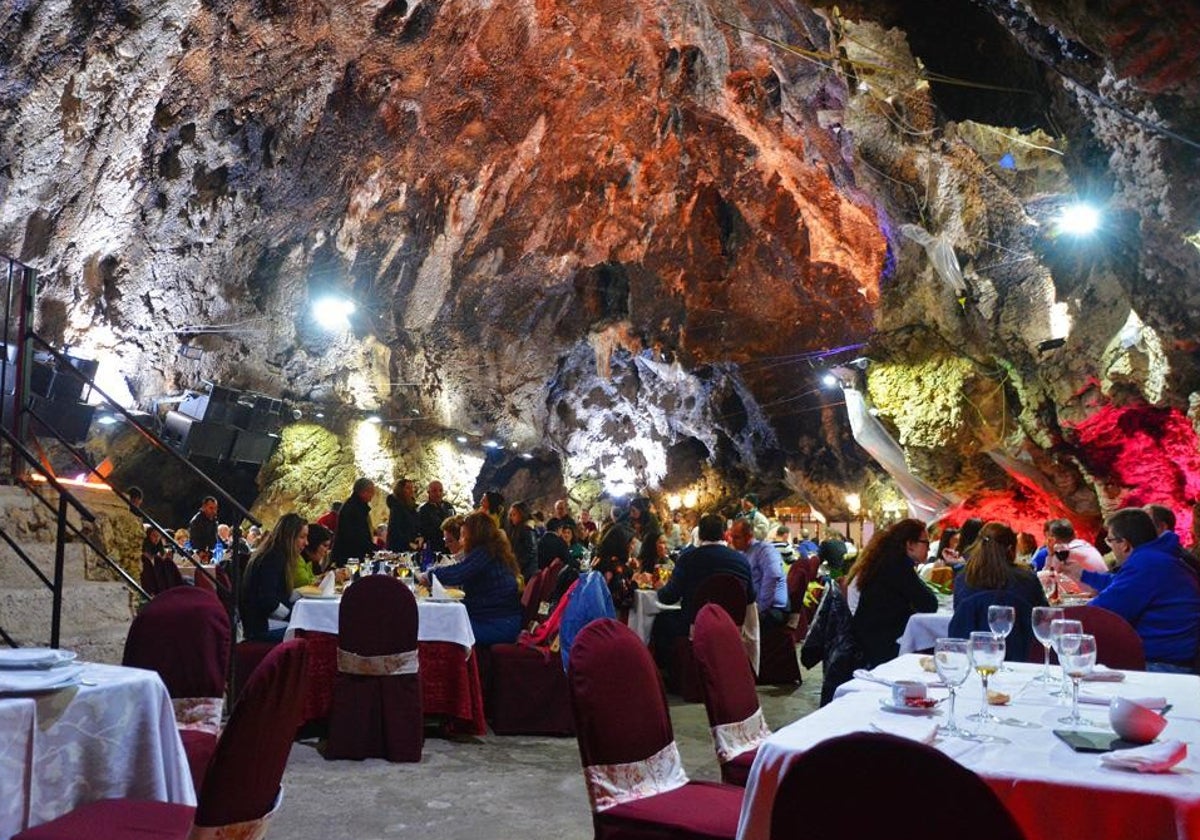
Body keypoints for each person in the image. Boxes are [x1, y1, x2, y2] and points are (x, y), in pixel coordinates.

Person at [1061, 507, 1200, 671]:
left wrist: (1060, 619)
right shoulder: (1157, 557)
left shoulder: (1146, 564)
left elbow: (1103, 612)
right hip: (1176, 656)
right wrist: (1082, 574)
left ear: (1124, 544)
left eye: (1110, 540)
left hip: (1162, 665)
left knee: (1073, 666)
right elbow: (1123, 585)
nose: (1110, 546)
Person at [653, 513, 754, 664]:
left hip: (695, 624)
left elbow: (669, 597)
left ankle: (673, 674)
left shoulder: (688, 559)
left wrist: (660, 588)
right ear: (724, 534)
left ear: (699, 534)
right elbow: (751, 596)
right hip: (732, 624)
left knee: (661, 621)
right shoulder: (741, 561)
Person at [845, 518, 938, 667]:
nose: (929, 548)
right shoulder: (898, 566)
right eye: (926, 543)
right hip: (880, 646)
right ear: (910, 544)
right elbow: (929, 604)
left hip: (869, 638)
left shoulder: (885, 562)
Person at [422, 511, 521, 645]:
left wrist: (429, 575)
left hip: (498, 624)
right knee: (443, 622)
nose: (462, 541)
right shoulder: (493, 550)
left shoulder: (485, 552)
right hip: (498, 618)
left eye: (463, 535)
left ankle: (449, 666)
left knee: (441, 630)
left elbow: (459, 573)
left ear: (474, 535)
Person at [239, 513, 308, 642]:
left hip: (260, 622)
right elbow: (269, 602)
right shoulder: (273, 559)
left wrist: (300, 594)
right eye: (302, 537)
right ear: (290, 537)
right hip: (261, 626)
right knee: (311, 634)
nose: (306, 542)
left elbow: (279, 594)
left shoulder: (272, 554)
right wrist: (293, 617)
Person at [952, 522, 1047, 609]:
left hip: (971, 627)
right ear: (1010, 549)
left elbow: (958, 614)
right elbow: (1042, 615)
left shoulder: (963, 578)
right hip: (1017, 627)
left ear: (979, 546)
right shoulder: (1027, 579)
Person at [729, 518, 789, 631]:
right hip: (755, 607)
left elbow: (772, 578)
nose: (732, 541)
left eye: (737, 537)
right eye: (732, 537)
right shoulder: (742, 552)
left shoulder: (765, 550)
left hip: (773, 609)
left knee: (733, 627)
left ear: (749, 536)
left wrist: (757, 612)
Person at [330, 478, 377, 566]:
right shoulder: (353, 509)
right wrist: (375, 549)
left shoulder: (356, 506)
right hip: (349, 557)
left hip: (353, 555)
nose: (372, 495)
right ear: (363, 492)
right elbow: (356, 536)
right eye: (371, 492)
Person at [505, 501, 539, 582]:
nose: (511, 517)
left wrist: (514, 567)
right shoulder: (516, 529)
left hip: (526, 573)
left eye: (514, 515)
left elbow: (530, 552)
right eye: (511, 515)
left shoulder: (527, 529)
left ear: (522, 514)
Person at [385, 478, 422, 552]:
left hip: (412, 547)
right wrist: (408, 543)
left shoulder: (413, 507)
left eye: (412, 488)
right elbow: (395, 530)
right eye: (408, 488)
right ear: (400, 490)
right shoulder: (396, 507)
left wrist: (419, 536)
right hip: (399, 548)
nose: (411, 491)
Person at [419, 480, 455, 553]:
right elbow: (424, 531)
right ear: (428, 492)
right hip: (434, 549)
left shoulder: (448, 506)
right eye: (434, 491)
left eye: (440, 490)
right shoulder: (423, 510)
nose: (438, 494)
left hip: (449, 548)